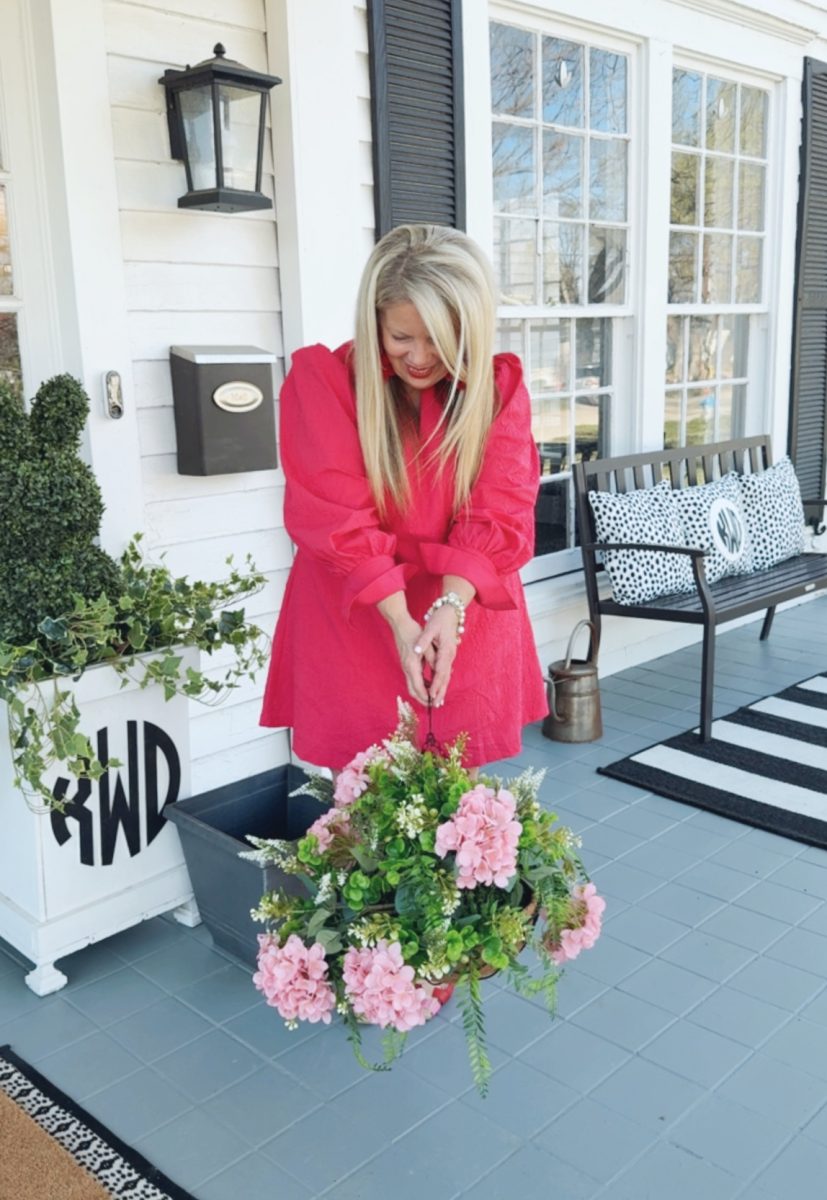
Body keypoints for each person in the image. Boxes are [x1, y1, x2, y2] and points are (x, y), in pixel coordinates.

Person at [260, 223, 547, 770]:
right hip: (360, 613)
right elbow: (336, 514)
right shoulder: (326, 384)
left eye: (439, 338)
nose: (418, 357)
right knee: (363, 799)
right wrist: (399, 619)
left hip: (464, 602)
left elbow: (501, 505)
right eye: (401, 338)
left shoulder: (497, 390)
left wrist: (450, 606)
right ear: (375, 324)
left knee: (455, 797)